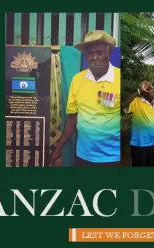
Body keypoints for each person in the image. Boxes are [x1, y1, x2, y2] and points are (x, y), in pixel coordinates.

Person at [50, 30, 120, 167]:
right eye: (90, 53)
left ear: (108, 54)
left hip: (112, 158)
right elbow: (72, 118)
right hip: (83, 156)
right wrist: (58, 149)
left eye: (99, 52)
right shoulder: (77, 80)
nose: (95, 57)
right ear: (85, 56)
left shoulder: (118, 79)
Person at [122, 81, 154, 167]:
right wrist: (138, 91)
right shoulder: (136, 102)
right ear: (143, 92)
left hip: (153, 144)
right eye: (150, 89)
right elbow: (124, 105)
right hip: (139, 145)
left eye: (153, 88)